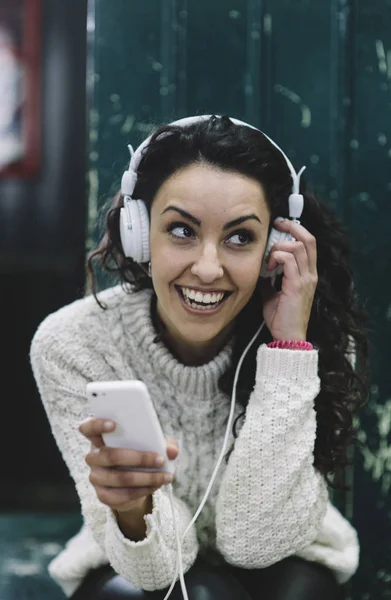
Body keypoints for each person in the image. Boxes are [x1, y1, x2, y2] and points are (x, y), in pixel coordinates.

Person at [30, 115, 369, 600]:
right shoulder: (73, 344)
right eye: (182, 231)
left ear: (275, 249)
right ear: (140, 233)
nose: (208, 268)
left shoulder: (318, 341)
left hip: (286, 560)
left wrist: (289, 346)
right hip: (134, 568)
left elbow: (258, 543)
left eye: (239, 238)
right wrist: (133, 509)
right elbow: (156, 571)